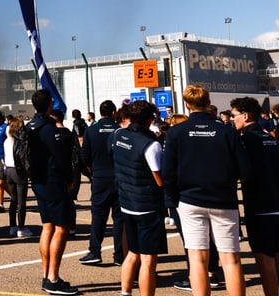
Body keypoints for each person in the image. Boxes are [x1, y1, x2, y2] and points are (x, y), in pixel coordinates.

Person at [163, 85, 250, 296]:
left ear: (186, 104)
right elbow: (244, 169)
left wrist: (175, 199)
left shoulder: (176, 132)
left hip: (190, 200)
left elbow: (168, 172)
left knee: (198, 260)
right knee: (231, 259)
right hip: (223, 199)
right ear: (208, 102)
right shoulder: (227, 131)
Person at [112, 100, 167, 296]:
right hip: (147, 205)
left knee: (133, 253)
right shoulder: (151, 144)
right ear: (150, 119)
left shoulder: (119, 135)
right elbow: (159, 179)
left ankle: (125, 292)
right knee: (148, 260)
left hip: (127, 201)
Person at [28, 90, 78, 296]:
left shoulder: (30, 125)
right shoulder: (48, 127)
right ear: (49, 104)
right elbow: (60, 157)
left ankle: (47, 274)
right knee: (62, 227)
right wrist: (70, 179)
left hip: (37, 180)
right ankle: (53, 278)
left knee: (47, 226)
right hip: (52, 181)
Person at [231, 97, 279, 296]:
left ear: (245, 116)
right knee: (276, 254)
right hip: (275, 202)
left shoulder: (245, 140)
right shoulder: (271, 137)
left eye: (234, 116)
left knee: (263, 257)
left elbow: (242, 171)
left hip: (260, 207)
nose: (232, 120)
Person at [79, 99, 124, 266]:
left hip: (100, 178)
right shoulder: (120, 130)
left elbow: (84, 156)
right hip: (119, 178)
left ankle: (95, 251)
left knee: (98, 216)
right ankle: (119, 255)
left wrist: (92, 172)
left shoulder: (91, 130)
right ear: (114, 113)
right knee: (120, 218)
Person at [50, 109, 78, 236]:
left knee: (62, 200)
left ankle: (65, 225)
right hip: (68, 168)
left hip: (59, 170)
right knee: (68, 199)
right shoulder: (68, 133)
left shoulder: (56, 134)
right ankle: (71, 225)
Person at [3, 115, 32, 238]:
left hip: (8, 171)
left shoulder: (6, 140)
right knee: (21, 202)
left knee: (13, 200)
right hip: (18, 171)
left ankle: (12, 226)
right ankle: (21, 227)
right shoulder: (19, 141)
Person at [70, 109, 87, 201]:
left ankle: (73, 195)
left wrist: (81, 151)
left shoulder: (77, 124)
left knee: (76, 176)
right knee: (87, 173)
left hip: (78, 152)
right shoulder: (84, 123)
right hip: (82, 151)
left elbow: (80, 138)